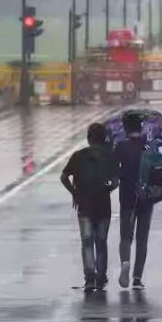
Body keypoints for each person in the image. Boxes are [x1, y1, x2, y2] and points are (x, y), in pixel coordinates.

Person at [60, 123, 119, 292]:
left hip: (84, 206)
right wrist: (107, 189)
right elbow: (116, 181)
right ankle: (101, 278)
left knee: (87, 243)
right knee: (101, 242)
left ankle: (90, 279)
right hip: (103, 206)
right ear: (103, 138)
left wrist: (75, 193)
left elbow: (64, 177)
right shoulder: (109, 156)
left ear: (88, 138)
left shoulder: (78, 156)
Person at [114, 112, 155, 290]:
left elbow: (114, 172)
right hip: (147, 197)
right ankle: (137, 279)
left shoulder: (121, 146)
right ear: (141, 127)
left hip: (127, 196)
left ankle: (125, 262)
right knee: (142, 239)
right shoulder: (149, 147)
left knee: (125, 236)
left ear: (125, 128)